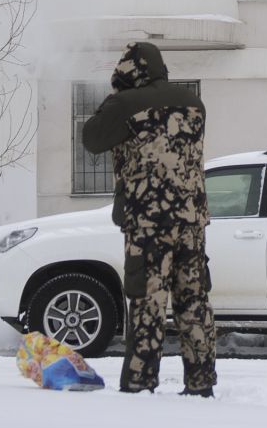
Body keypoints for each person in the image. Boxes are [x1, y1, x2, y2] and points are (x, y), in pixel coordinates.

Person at [80, 41, 215, 396]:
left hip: (148, 223)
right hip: (192, 221)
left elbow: (92, 138)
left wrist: (114, 98)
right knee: (194, 301)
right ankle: (201, 383)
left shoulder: (125, 103)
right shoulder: (193, 103)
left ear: (130, 70)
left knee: (147, 303)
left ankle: (140, 383)